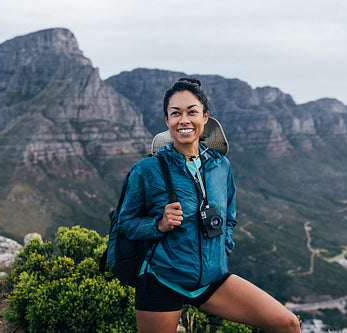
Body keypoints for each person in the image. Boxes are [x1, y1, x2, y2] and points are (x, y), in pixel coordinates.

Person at [118, 78, 301, 333]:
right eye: (175, 113)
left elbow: (230, 219)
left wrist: (222, 252)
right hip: (162, 279)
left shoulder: (221, 166)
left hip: (211, 278)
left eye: (192, 112)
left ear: (205, 117)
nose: (184, 120)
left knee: (288, 324)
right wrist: (158, 224)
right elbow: (125, 223)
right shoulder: (146, 170)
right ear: (167, 120)